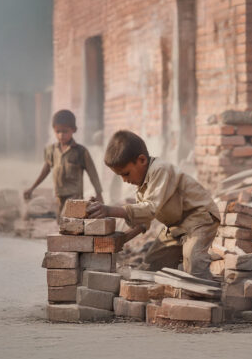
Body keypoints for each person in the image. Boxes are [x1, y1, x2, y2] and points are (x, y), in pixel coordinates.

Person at [86, 130, 219, 279]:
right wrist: (124, 238)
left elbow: (149, 209)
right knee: (152, 265)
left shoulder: (160, 170)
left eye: (126, 173)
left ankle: (210, 293)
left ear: (142, 160)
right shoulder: (142, 183)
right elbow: (144, 220)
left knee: (195, 266)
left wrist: (109, 210)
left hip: (199, 219)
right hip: (176, 226)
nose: (124, 180)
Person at [24, 110, 103, 214]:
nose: (61, 135)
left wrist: (98, 193)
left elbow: (93, 173)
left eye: (65, 131)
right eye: (58, 131)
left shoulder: (81, 151)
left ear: (74, 130)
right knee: (61, 225)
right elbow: (45, 170)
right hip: (59, 197)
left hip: (75, 198)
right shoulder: (51, 150)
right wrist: (32, 188)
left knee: (74, 224)